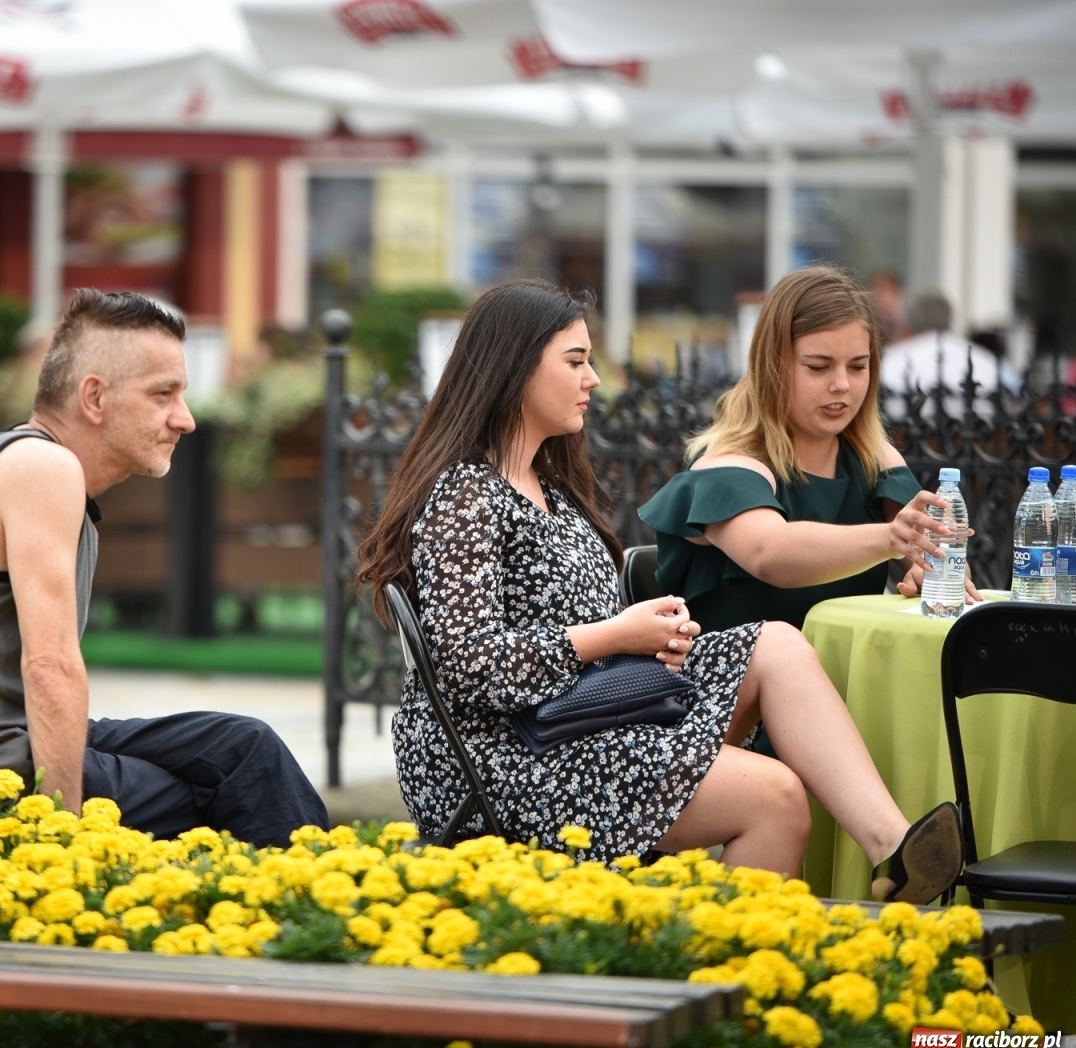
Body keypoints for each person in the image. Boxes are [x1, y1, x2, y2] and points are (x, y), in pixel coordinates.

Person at [355, 278, 961, 903]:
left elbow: (577, 634)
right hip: (505, 757)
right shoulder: (466, 496)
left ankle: (895, 847)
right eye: (576, 362)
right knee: (775, 794)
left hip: (580, 719)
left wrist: (650, 640)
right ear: (513, 372)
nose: (594, 380)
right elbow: (473, 669)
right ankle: (709, 983)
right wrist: (616, 635)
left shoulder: (550, 490)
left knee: (777, 645)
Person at [0, 290, 327, 848]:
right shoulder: (44, 467)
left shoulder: (15, 455)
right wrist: (62, 838)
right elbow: (50, 667)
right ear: (95, 397)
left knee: (245, 747)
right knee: (231, 792)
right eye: (163, 395)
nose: (187, 419)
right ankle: (308, 912)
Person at [638, 266, 979, 638]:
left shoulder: (872, 454)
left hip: (840, 671)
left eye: (858, 366)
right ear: (772, 366)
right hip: (729, 684)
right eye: (819, 367)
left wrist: (933, 569)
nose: (842, 385)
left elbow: (939, 553)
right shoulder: (728, 459)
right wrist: (888, 539)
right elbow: (770, 552)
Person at [880, 291, 1020, 421]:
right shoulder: (988, 362)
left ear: (907, 325)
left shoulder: (890, 360)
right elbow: (1013, 409)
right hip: (979, 443)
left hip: (903, 445)